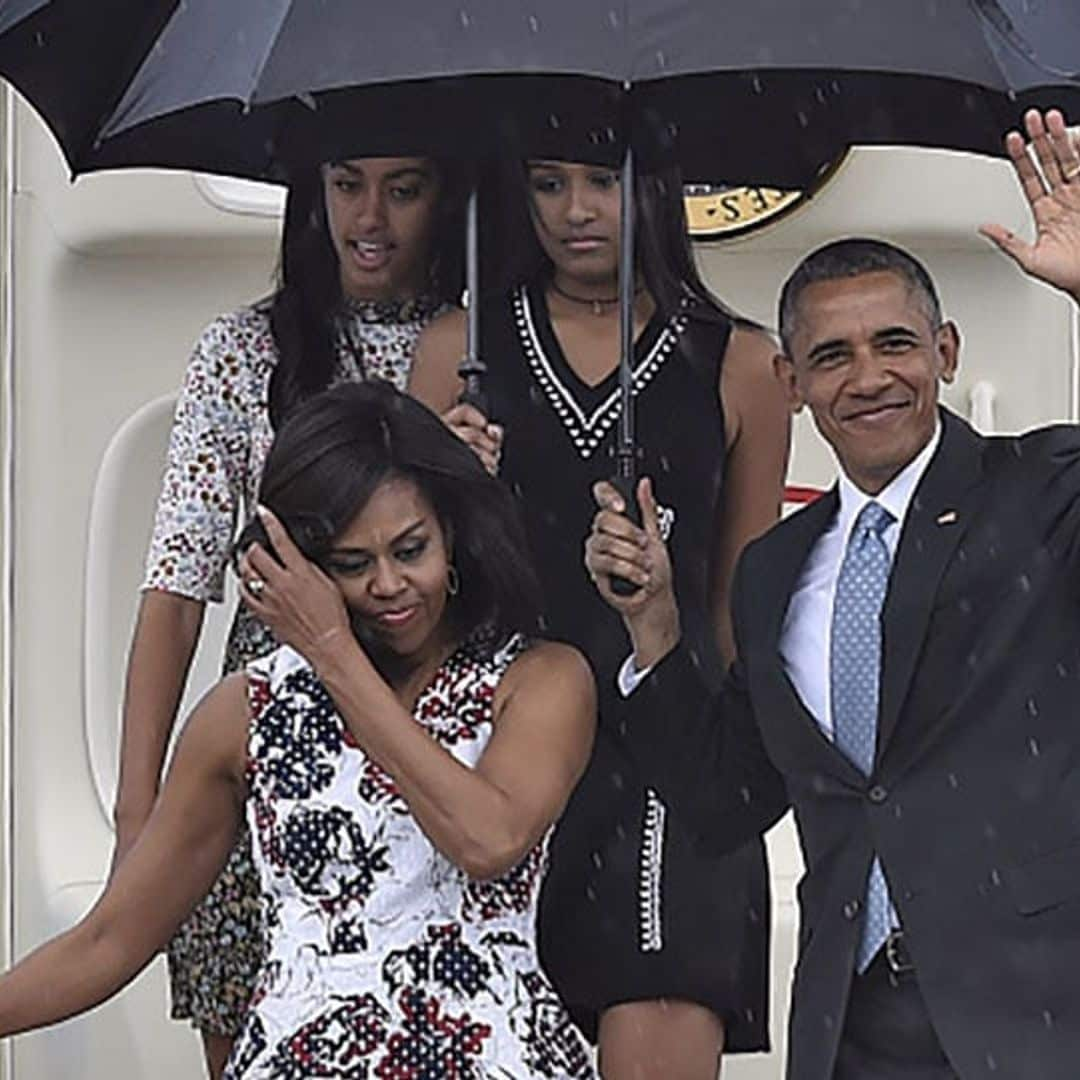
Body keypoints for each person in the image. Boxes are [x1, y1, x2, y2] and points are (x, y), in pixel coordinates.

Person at [585, 107, 1080, 1079]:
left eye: (894, 344)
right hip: (851, 1029)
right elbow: (728, 801)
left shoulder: (1043, 491)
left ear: (945, 352)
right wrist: (653, 631)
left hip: (1034, 1017)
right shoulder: (776, 572)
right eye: (831, 357)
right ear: (790, 382)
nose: (870, 378)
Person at [2, 381, 597, 1079]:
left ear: (454, 536)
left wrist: (333, 653)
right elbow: (109, 940)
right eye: (352, 564)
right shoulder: (244, 711)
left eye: (411, 550)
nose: (389, 585)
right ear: (302, 564)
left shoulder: (539, 678)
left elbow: (486, 839)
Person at [409, 127, 790, 1078]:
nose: (575, 210)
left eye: (600, 182)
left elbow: (741, 603)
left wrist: (742, 782)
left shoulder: (741, 362)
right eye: (548, 183)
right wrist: (446, 485)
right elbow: (406, 589)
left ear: (656, 189)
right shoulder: (460, 349)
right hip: (498, 746)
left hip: (669, 754)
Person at [112, 154, 464, 1077]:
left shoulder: (485, 345)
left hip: (432, 715)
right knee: (248, 1008)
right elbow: (177, 583)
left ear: (451, 198)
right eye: (347, 185)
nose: (372, 215)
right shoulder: (242, 349)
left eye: (406, 186)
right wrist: (136, 809)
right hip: (265, 730)